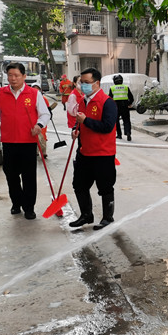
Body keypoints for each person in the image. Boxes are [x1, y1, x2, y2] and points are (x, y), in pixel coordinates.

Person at [0, 62, 51, 220]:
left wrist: (39, 125)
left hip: (28, 142)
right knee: (11, 175)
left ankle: (29, 207)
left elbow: (45, 114)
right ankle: (16, 203)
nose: (13, 78)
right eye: (10, 75)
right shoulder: (1, 93)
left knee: (29, 176)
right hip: (9, 142)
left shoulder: (33, 94)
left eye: (16, 75)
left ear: (24, 76)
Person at [69, 68, 118, 230]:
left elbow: (107, 127)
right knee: (79, 185)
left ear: (97, 83)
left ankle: (107, 217)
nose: (83, 86)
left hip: (103, 153)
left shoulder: (107, 102)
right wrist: (76, 129)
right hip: (84, 152)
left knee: (105, 187)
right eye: (81, 82)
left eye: (87, 83)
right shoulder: (83, 101)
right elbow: (80, 121)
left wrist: (86, 121)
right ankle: (86, 215)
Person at [109, 74, 134, 141]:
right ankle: (128, 132)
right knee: (126, 120)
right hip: (125, 105)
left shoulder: (112, 88)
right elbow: (131, 97)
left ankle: (119, 135)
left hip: (115, 106)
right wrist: (129, 103)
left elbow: (110, 98)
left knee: (116, 121)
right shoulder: (126, 87)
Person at [31, 84, 51, 158]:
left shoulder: (44, 99)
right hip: (33, 121)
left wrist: (50, 115)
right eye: (34, 88)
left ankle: (43, 152)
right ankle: (36, 151)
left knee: (42, 137)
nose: (36, 90)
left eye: (37, 88)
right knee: (35, 137)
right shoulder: (29, 98)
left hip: (42, 122)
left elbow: (47, 110)